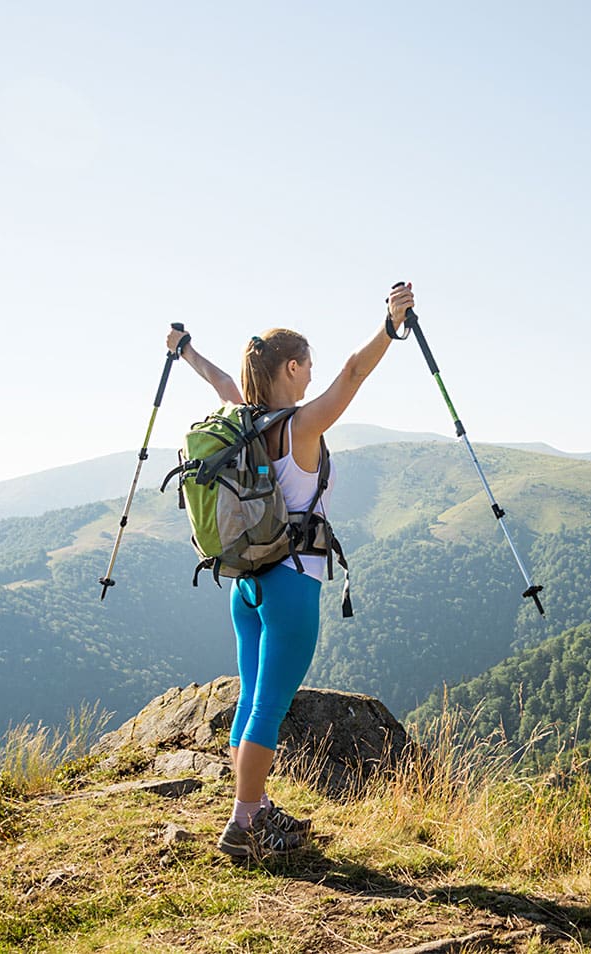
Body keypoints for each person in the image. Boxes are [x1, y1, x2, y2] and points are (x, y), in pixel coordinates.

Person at [167, 282, 417, 859]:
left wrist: (184, 351)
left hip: (247, 585)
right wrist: (389, 324)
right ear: (291, 366)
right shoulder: (299, 429)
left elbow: (219, 382)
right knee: (269, 705)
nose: (314, 376)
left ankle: (254, 808)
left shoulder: (243, 421)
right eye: (307, 367)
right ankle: (244, 826)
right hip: (290, 586)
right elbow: (354, 373)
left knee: (256, 697)